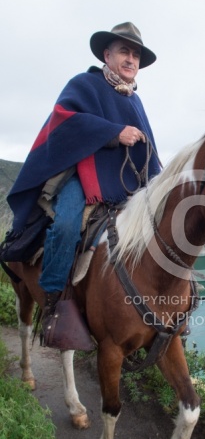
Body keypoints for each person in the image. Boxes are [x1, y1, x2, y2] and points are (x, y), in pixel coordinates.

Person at [7, 22, 161, 346]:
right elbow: (63, 120)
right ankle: (53, 301)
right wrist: (112, 133)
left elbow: (150, 152)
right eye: (124, 51)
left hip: (126, 185)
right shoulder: (85, 84)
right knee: (64, 225)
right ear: (108, 54)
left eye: (135, 54)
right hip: (85, 177)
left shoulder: (136, 101)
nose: (131, 59)